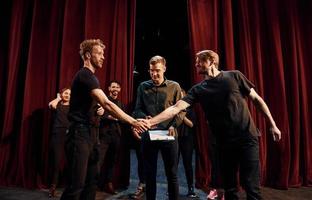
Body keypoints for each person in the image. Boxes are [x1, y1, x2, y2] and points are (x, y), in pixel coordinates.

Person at [139, 50, 282, 200]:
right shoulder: (198, 89)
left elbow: (256, 99)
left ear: (212, 61)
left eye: (199, 61)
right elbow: (175, 108)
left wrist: (272, 124)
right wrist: (150, 122)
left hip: (247, 138)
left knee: (252, 187)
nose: (196, 64)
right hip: (223, 144)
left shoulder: (234, 76)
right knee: (230, 189)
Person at [60, 39, 148, 200]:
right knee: (76, 184)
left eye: (103, 54)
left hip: (92, 133)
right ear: (88, 55)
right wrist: (133, 121)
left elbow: (98, 106)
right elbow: (107, 103)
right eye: (99, 53)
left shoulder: (92, 78)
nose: (103, 57)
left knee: (92, 180)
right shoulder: (85, 75)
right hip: (79, 134)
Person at [132, 55, 184, 200]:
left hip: (169, 134)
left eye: (157, 70)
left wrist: (174, 125)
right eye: (151, 70)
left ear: (164, 69)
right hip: (149, 135)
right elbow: (137, 109)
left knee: (172, 174)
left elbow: (182, 109)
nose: (154, 74)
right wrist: (143, 117)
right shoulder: (143, 86)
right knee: (150, 174)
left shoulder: (174, 86)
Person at [98, 80, 124, 194]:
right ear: (109, 89)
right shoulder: (104, 101)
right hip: (103, 135)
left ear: (119, 90)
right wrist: (109, 116)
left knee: (112, 161)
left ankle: (108, 184)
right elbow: (98, 114)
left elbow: (122, 118)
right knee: (98, 161)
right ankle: (92, 185)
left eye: (117, 87)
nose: (115, 89)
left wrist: (116, 118)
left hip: (116, 136)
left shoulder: (120, 104)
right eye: (113, 87)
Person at [48, 88, 71, 198]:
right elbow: (51, 105)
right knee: (56, 162)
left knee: (72, 161)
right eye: (65, 93)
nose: (67, 95)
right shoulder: (57, 104)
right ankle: (53, 186)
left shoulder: (73, 107)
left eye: (70, 94)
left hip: (70, 136)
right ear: (61, 94)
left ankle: (70, 185)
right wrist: (57, 98)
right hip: (58, 135)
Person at [177, 89, 198, 198]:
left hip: (187, 140)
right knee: (173, 165)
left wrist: (182, 115)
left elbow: (191, 125)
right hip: (175, 139)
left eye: (181, 96)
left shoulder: (190, 110)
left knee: (187, 164)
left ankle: (191, 188)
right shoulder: (172, 110)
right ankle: (172, 188)